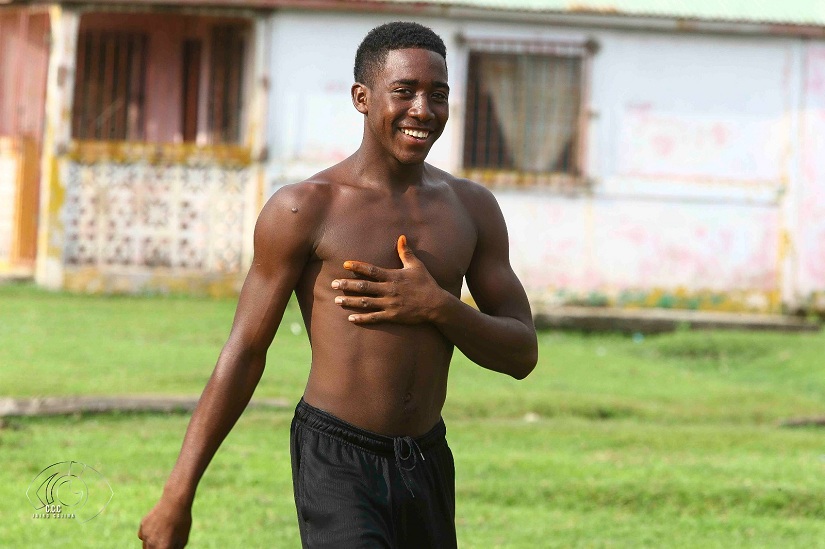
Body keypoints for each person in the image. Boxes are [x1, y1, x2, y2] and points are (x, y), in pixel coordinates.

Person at [138, 21, 538, 548]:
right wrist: (178, 494)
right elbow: (245, 351)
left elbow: (521, 353)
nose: (423, 110)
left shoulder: (471, 208)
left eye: (437, 95)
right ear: (362, 98)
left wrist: (439, 307)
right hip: (337, 458)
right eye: (404, 91)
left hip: (427, 458)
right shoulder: (306, 207)